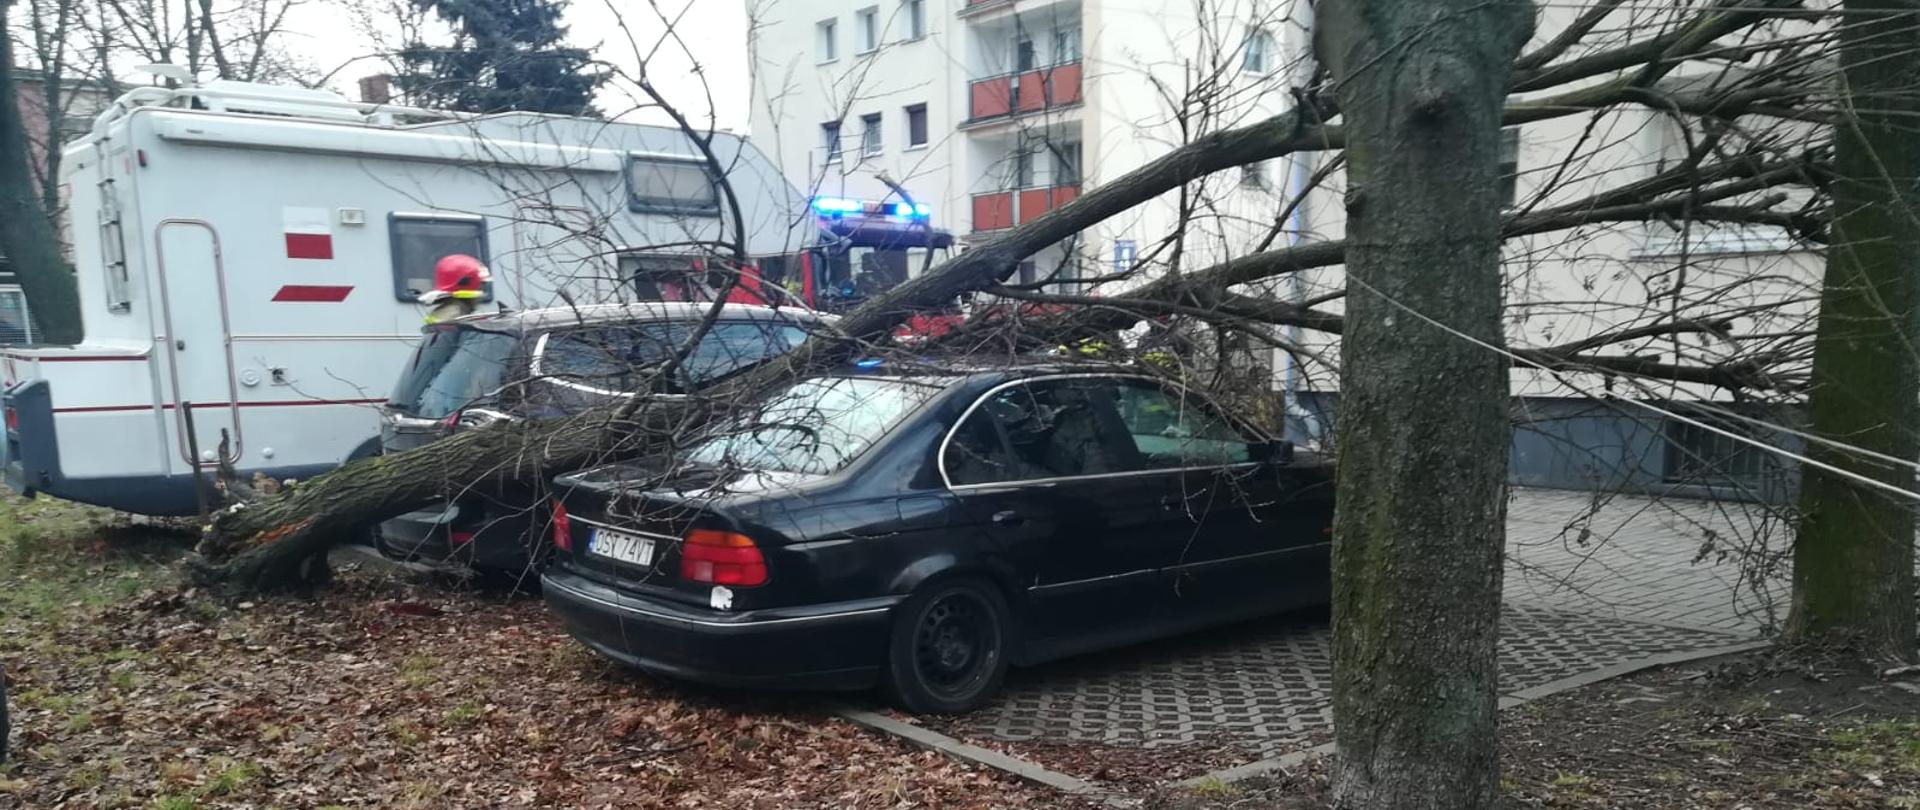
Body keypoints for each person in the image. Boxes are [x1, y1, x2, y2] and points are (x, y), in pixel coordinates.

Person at [418, 254, 491, 324]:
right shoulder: (454, 313)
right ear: (465, 284)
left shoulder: (453, 310)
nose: (481, 289)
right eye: (481, 284)